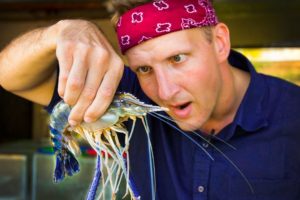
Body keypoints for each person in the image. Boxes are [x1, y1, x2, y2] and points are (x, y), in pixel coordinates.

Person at [0, 0, 300, 199]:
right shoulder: (129, 95)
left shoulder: (293, 115)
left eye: (178, 58)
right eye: (144, 68)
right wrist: (63, 30)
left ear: (219, 43)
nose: (165, 91)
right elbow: (9, 74)